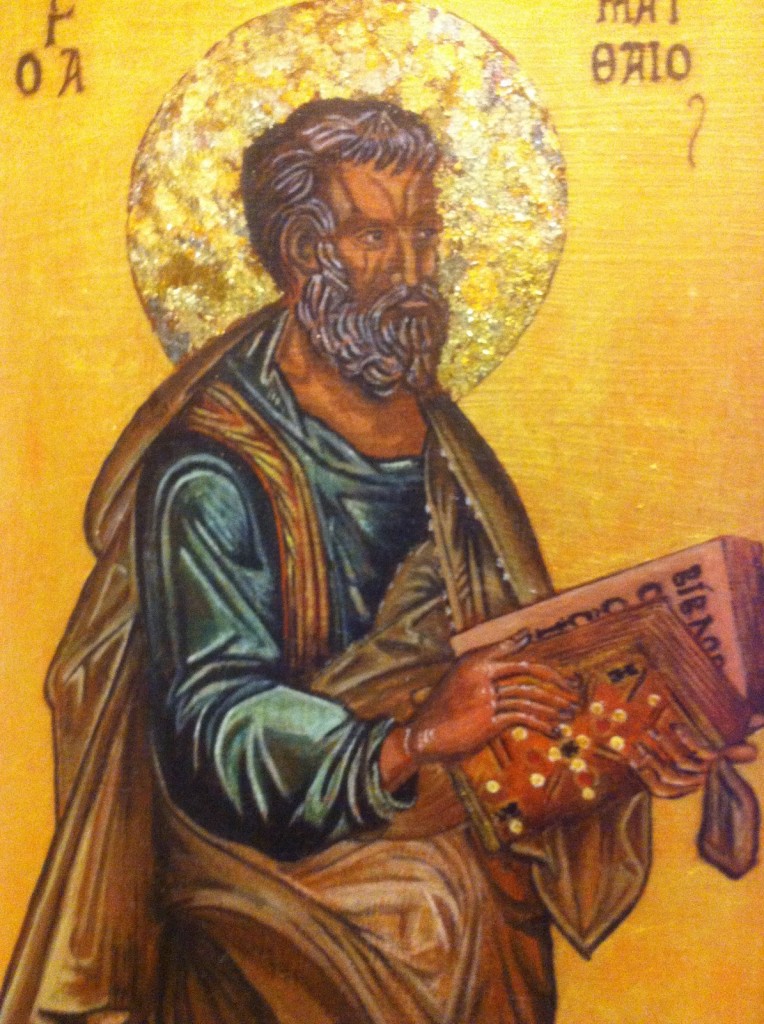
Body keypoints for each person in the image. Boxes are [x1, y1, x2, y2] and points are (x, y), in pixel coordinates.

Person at [1, 98, 743, 1024]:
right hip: (261, 851)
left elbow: (507, 664)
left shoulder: (442, 439)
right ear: (301, 252)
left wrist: (625, 735)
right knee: (441, 911)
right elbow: (212, 718)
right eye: (374, 237)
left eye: (424, 235)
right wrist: (409, 741)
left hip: (428, 801)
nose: (414, 272)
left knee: (464, 889)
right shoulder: (212, 467)